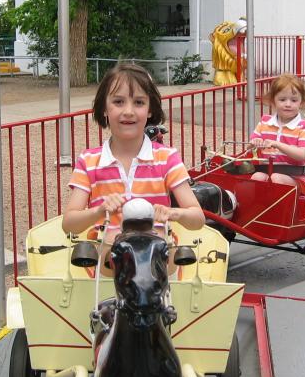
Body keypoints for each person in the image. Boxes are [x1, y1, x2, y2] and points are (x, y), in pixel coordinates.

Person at [63, 63, 205, 269]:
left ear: (149, 110)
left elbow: (197, 218)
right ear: (104, 108)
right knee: (112, 238)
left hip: (158, 261)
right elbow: (69, 223)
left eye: (138, 102)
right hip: (108, 265)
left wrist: (173, 213)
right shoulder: (89, 161)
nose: (128, 111)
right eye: (119, 102)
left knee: (158, 245)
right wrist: (99, 211)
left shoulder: (167, 158)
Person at [249, 74, 305, 196]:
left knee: (276, 178)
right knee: (256, 177)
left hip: (296, 177)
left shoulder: (303, 126)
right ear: (273, 101)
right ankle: (258, 210)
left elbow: (302, 155)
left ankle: (281, 213)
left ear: (301, 102)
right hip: (267, 171)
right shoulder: (265, 121)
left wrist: (278, 144)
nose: (288, 104)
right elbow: (250, 146)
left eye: (294, 100)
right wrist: (255, 142)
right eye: (282, 100)